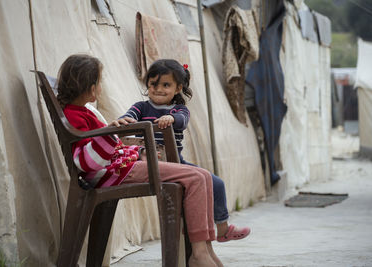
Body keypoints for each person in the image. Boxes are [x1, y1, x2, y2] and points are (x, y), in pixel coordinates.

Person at [56, 54, 223, 267]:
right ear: (90, 88)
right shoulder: (75, 115)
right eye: (100, 81)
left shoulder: (84, 112)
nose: (101, 86)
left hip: (120, 168)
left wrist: (114, 133)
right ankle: (198, 254)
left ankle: (206, 249)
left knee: (203, 176)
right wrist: (110, 133)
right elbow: (86, 162)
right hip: (116, 172)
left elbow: (101, 143)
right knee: (198, 177)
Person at [112, 59, 250, 242]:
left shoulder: (180, 109)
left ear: (177, 89)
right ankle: (190, 227)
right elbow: (129, 116)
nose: (158, 89)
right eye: (153, 84)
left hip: (176, 162)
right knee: (190, 187)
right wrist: (123, 121)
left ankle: (223, 229)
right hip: (147, 163)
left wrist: (171, 118)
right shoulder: (141, 107)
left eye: (166, 85)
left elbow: (182, 120)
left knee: (215, 183)